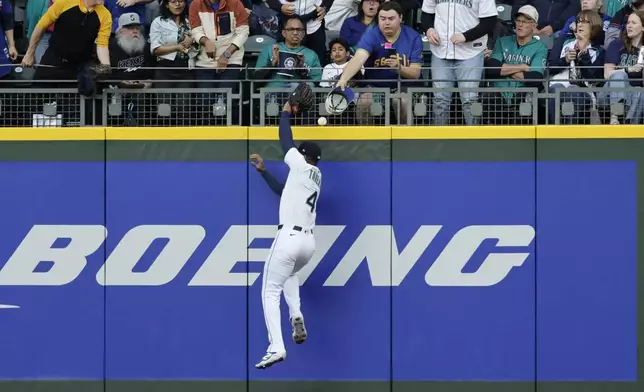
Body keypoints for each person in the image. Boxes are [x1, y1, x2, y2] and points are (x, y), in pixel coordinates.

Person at [250, 84, 322, 370]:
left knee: (269, 290)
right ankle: (296, 313)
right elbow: (283, 192)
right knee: (289, 274)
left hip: (289, 237)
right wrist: (265, 173)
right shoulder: (315, 175)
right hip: (307, 245)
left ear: (303, 156)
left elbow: (284, 140)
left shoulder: (302, 167)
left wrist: (285, 112)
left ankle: (276, 346)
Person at [21, 0, 112, 82]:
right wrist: (30, 54)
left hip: (78, 66)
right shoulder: (64, 2)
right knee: (37, 96)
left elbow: (102, 45)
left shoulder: (105, 15)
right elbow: (41, 27)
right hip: (53, 59)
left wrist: (105, 66)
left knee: (71, 99)